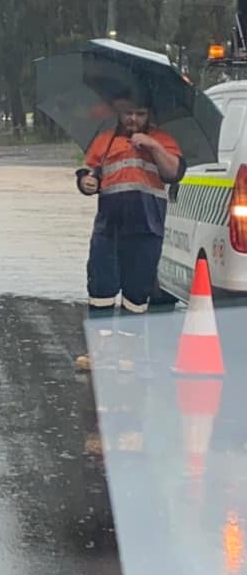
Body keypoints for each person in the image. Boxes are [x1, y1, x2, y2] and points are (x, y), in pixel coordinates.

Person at [75, 93, 186, 371]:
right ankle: (99, 352)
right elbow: (88, 173)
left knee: (136, 293)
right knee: (101, 288)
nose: (133, 120)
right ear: (118, 112)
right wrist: (86, 182)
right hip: (108, 227)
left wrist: (152, 146)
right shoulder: (105, 140)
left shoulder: (165, 140)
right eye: (127, 114)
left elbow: (174, 173)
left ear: (149, 114)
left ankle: (128, 353)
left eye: (139, 114)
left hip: (147, 227)